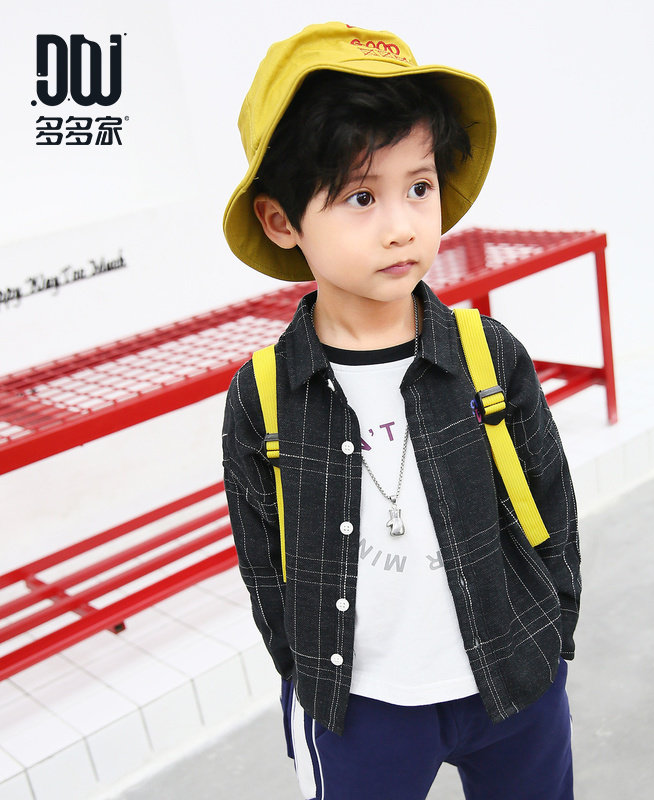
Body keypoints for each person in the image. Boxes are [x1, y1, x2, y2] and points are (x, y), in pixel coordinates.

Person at [221, 22, 580, 800]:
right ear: (281, 220)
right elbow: (265, 566)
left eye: (419, 186)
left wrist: (553, 635)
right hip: (361, 710)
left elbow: (550, 503)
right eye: (361, 196)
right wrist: (306, 676)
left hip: (514, 679)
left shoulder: (487, 354)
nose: (402, 226)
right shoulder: (265, 395)